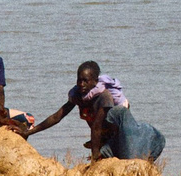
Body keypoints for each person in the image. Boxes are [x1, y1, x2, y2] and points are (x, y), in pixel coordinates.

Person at [30, 61, 165, 164]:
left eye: (86, 80)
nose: (81, 84)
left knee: (132, 159)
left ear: (95, 81)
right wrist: (30, 132)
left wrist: (95, 157)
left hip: (122, 137)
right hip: (106, 139)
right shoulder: (78, 95)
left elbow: (96, 126)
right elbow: (57, 116)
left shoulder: (104, 97)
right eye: (79, 80)